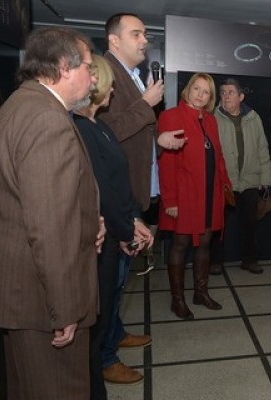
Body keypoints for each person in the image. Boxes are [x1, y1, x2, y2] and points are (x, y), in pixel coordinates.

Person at [0, 26, 102, 399]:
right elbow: (49, 228)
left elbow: (36, 202)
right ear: (64, 66)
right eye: (88, 67)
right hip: (42, 301)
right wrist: (64, 309)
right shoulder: (48, 120)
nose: (93, 77)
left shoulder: (19, 104)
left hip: (21, 293)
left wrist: (89, 221)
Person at [97, 12, 172, 383]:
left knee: (120, 278)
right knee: (109, 282)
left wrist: (159, 139)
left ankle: (115, 333)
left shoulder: (132, 74)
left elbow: (137, 131)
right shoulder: (105, 75)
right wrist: (146, 104)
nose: (145, 40)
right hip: (118, 197)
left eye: (145, 34)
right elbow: (106, 131)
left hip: (136, 193)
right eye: (136, 34)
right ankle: (105, 356)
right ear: (114, 40)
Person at [73, 54, 155, 392]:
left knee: (114, 294)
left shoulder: (98, 125)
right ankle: (105, 359)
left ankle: (113, 340)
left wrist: (133, 218)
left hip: (120, 226)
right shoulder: (81, 128)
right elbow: (102, 189)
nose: (112, 92)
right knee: (102, 305)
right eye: (110, 86)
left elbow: (119, 181)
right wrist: (127, 227)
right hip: (106, 233)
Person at [159, 73, 231, 320]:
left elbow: (218, 157)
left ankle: (200, 292)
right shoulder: (171, 116)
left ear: (211, 98)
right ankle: (177, 299)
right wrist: (170, 200)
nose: (200, 95)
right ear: (188, 89)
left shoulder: (211, 120)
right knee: (180, 244)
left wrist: (225, 186)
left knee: (206, 242)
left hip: (210, 193)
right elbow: (166, 163)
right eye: (197, 88)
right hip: (184, 195)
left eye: (206, 91)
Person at [212, 78, 271, 274]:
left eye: (230, 92)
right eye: (222, 92)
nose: (225, 96)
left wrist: (265, 179)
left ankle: (249, 260)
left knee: (250, 224)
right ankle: (215, 262)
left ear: (241, 97)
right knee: (218, 226)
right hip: (224, 182)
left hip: (249, 181)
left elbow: (263, 148)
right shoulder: (212, 118)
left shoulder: (254, 118)